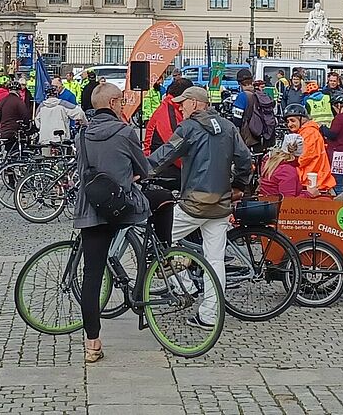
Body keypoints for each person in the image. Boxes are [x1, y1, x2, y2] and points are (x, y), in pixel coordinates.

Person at [147, 80, 253, 330]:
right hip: (221, 204)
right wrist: (239, 184)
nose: (181, 108)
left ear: (195, 103)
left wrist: (140, 171)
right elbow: (245, 158)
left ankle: (185, 283)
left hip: (193, 203)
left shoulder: (189, 128)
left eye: (183, 104)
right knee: (215, 260)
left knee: (159, 238)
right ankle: (209, 315)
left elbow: (164, 155)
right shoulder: (227, 127)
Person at [73, 82, 151, 364]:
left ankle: (92, 343)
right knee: (159, 205)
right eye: (121, 101)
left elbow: (82, 172)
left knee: (91, 276)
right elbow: (144, 168)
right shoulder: (125, 131)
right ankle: (161, 263)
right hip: (120, 209)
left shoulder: (82, 134)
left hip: (90, 211)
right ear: (115, 103)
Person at [281, 104, 335, 194]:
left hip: (315, 183)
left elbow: (303, 158)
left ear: (303, 119)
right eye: (288, 121)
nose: (289, 124)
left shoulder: (309, 133)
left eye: (292, 120)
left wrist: (285, 163)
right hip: (313, 181)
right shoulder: (306, 132)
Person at [235, 70, 276, 153]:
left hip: (249, 136)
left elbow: (237, 120)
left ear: (239, 83)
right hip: (264, 134)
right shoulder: (260, 94)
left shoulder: (242, 96)